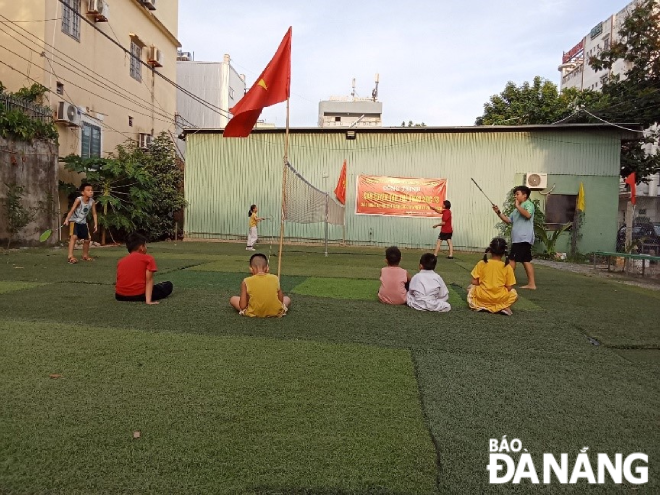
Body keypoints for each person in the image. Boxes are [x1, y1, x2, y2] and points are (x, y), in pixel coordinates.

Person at [492, 185, 537, 289]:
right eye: (515, 195)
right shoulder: (516, 210)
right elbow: (508, 220)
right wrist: (498, 212)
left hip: (523, 238)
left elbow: (528, 215)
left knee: (512, 259)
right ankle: (531, 284)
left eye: (517, 194)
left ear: (525, 195)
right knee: (526, 260)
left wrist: (517, 206)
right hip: (518, 239)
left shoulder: (528, 204)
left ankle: (506, 282)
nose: (515, 197)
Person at [115, 233, 173, 304]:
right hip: (140, 295)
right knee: (168, 285)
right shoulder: (148, 259)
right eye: (145, 245)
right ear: (141, 247)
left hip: (119, 296)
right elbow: (149, 280)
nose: (146, 247)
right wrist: (148, 301)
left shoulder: (121, 261)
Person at [467, 237, 518, 316]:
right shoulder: (507, 267)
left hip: (482, 297)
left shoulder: (482, 263)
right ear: (504, 252)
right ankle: (502, 307)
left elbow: (474, 281)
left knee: (470, 287)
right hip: (499, 298)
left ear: (490, 250)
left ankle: (479, 306)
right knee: (514, 294)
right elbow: (509, 288)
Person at [230, 253, 290, 317]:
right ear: (267, 268)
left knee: (233, 299)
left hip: (254, 312)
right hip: (275, 312)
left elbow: (242, 306)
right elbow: (280, 300)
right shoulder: (275, 278)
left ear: (251, 269)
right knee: (287, 299)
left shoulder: (246, 281)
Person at [63, 183, 98, 264]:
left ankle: (85, 256)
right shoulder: (78, 200)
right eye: (88, 190)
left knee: (87, 239)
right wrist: (67, 219)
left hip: (83, 222)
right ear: (83, 192)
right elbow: (72, 210)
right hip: (74, 221)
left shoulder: (92, 202)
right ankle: (70, 256)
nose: (91, 192)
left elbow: (94, 213)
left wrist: (96, 224)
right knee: (74, 237)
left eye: (91, 190)